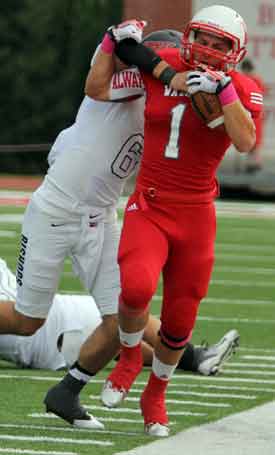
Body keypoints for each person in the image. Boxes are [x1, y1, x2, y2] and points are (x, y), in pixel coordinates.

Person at [0, 22, 232, 429]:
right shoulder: (127, 78)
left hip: (102, 215)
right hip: (57, 207)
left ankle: (65, 393)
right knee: (27, 320)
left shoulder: (168, 102)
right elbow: (100, 78)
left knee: (125, 315)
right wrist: (125, 48)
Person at [83, 6, 263, 437]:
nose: (209, 50)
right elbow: (96, 86)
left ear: (234, 52)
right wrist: (116, 46)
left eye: (221, 45)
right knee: (135, 287)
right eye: (204, 39)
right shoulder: (163, 65)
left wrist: (224, 92)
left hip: (197, 213)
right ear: (189, 36)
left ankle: (155, 393)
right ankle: (128, 358)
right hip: (151, 202)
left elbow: (245, 141)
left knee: (181, 318)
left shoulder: (241, 87)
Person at [240, 58, 266, 172]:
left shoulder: (253, 80)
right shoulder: (247, 79)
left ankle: (255, 162)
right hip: (247, 114)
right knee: (249, 140)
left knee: (254, 141)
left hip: (253, 115)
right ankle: (252, 163)